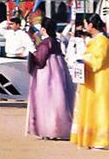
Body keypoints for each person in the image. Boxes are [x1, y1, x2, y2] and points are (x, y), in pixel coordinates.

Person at [27, 18, 74, 140]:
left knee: (45, 100)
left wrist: (32, 54)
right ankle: (57, 128)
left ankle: (48, 129)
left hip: (46, 74)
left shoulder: (45, 43)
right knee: (58, 100)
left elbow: (40, 60)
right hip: (58, 73)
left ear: (43, 29)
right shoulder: (56, 42)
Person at [71, 14, 109, 149]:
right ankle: (92, 138)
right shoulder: (95, 40)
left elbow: (99, 60)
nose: (85, 27)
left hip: (100, 80)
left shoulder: (102, 41)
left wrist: (84, 58)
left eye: (86, 24)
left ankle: (101, 140)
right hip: (92, 79)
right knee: (92, 107)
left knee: (100, 107)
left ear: (91, 25)